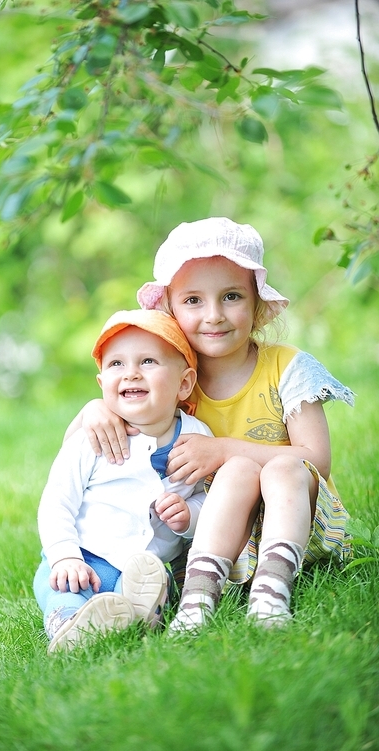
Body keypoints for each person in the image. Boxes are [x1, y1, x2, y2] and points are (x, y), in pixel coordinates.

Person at [72, 217, 355, 630]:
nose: (214, 315)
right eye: (193, 301)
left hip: (293, 519)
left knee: (273, 465)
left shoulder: (287, 367)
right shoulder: (170, 380)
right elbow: (82, 443)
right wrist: (92, 411)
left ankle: (272, 589)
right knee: (237, 472)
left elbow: (318, 460)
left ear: (257, 304)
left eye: (232, 296)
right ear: (170, 310)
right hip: (210, 535)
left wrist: (224, 449)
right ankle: (197, 598)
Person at [34, 308, 213, 651]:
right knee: (63, 589)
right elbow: (57, 500)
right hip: (85, 556)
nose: (131, 373)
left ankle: (132, 614)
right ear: (102, 383)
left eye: (148, 362)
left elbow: (210, 498)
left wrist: (189, 514)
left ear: (184, 383)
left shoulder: (196, 436)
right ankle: (68, 625)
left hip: (144, 569)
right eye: (116, 364)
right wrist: (64, 556)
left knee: (146, 586)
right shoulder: (92, 438)